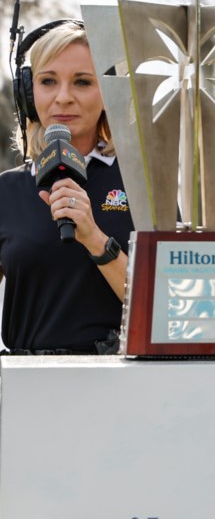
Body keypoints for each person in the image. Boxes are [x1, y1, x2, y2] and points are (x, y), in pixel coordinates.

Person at [0, 19, 132, 354]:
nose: (63, 98)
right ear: (29, 94)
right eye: (47, 81)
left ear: (107, 94)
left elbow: (165, 307)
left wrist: (96, 239)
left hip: (118, 388)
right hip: (24, 389)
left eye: (83, 82)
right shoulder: (7, 191)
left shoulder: (142, 185)